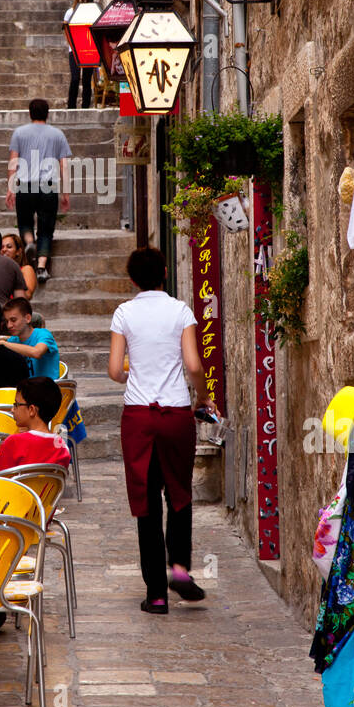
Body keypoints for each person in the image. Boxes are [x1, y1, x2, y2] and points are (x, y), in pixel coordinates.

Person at [108, 246, 220, 615]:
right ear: (166, 273)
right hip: (175, 415)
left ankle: (156, 593)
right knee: (179, 493)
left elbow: (113, 371)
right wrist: (202, 398)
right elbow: (193, 363)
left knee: (145, 503)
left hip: (139, 417)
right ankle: (179, 568)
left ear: (131, 279)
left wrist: (131, 374)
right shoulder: (180, 310)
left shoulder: (124, 313)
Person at [6, 97, 72, 284]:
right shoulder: (57, 134)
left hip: (25, 185)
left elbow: (13, 161)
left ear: (30, 113)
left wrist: (10, 188)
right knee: (46, 229)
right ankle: (41, 267)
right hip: (48, 186)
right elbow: (64, 166)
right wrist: (65, 193)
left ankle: (28, 242)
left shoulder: (19, 133)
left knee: (25, 221)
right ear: (47, 114)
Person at [0, 377, 70, 473]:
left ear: (31, 410)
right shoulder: (62, 447)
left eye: (16, 404)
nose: (12, 409)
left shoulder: (14, 443)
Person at [2, 297, 60, 379]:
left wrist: (4, 343)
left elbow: (37, 352)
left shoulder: (43, 334)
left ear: (28, 318)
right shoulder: (12, 340)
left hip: (47, 389)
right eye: (7, 321)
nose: (9, 325)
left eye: (13, 320)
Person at [64, 3, 94, 109]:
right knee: (75, 78)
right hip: (74, 49)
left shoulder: (92, 11)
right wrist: (72, 44)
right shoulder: (70, 12)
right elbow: (66, 29)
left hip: (89, 49)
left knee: (87, 79)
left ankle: (86, 106)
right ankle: (71, 105)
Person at [0, 232, 37, 299]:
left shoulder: (26, 269)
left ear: (18, 252)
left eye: (9, 247)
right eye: (1, 247)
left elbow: (27, 295)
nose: (4, 250)